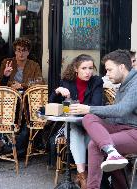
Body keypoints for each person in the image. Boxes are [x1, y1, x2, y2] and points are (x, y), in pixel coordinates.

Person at [70, 49, 137, 189]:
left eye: (109, 70)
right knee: (88, 118)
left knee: (95, 145)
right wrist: (94, 115)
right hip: (122, 128)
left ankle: (93, 185)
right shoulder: (124, 84)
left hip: (134, 132)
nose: (106, 74)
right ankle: (112, 153)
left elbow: (121, 110)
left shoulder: (135, 83)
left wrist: (89, 108)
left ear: (121, 67)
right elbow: (116, 115)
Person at [49, 54, 103, 189]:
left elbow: (96, 105)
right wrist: (57, 91)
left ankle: (83, 176)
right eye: (84, 68)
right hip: (72, 123)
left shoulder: (96, 82)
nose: (88, 72)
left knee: (87, 138)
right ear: (76, 68)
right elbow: (52, 104)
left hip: (91, 124)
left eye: (90, 68)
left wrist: (80, 109)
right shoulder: (67, 82)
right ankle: (83, 175)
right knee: (73, 130)